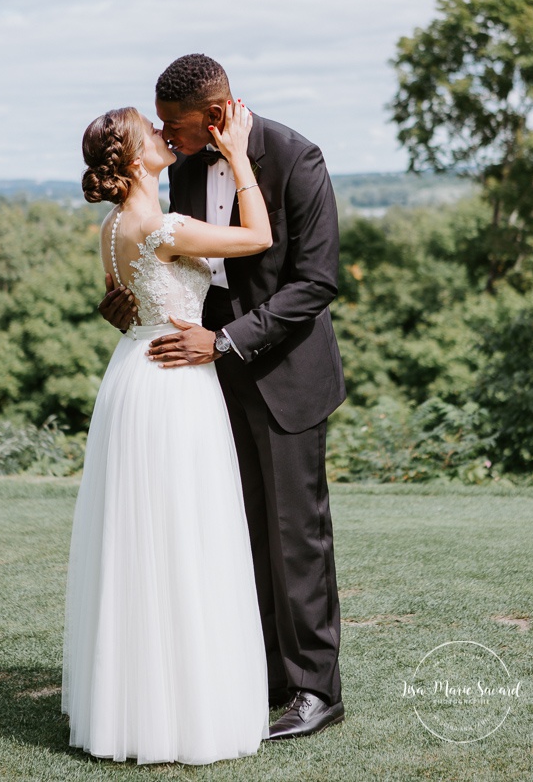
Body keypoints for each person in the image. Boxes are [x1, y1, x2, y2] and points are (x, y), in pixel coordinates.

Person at [101, 54, 346, 740]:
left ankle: (314, 692)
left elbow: (316, 281)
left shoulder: (296, 157)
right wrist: (134, 297)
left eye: (174, 125)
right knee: (237, 538)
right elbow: (178, 259)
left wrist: (228, 339)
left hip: (283, 376)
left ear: (214, 115)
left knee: (295, 538)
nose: (165, 134)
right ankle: (261, 674)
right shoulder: (180, 167)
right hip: (202, 385)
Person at [62, 100, 272, 765]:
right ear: (131, 155)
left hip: (132, 373)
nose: (161, 134)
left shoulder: (112, 228)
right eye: (149, 131)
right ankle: (185, 708)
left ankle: (132, 705)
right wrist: (238, 157)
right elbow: (259, 237)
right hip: (176, 381)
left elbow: (124, 302)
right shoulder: (165, 226)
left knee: (140, 539)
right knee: (185, 532)